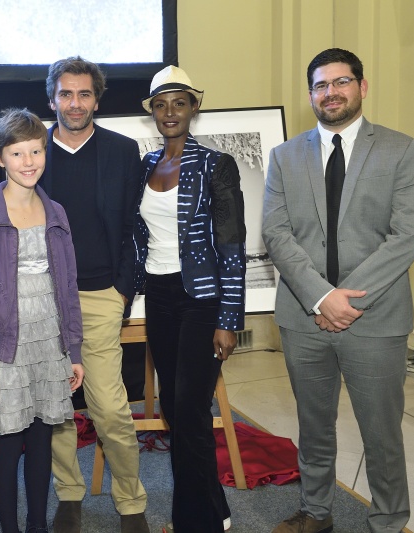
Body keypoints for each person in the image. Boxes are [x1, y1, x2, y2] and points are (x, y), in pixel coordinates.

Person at [262, 48, 414, 533]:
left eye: (341, 82)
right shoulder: (284, 156)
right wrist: (320, 297)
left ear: (362, 86)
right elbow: (276, 233)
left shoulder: (401, 149)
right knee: (313, 427)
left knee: (381, 435)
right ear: (310, 94)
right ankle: (316, 512)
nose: (330, 93)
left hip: (376, 319)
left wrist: (344, 299)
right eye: (320, 85)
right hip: (303, 317)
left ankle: (388, 522)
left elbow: (407, 236)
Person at [0, 107, 84, 533]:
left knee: (43, 439)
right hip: (3, 347)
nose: (28, 162)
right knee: (8, 444)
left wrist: (74, 350)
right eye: (17, 153)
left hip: (49, 341)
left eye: (36, 151)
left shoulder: (56, 213)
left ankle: (37, 526)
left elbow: (68, 286)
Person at [133, 65, 246, 533]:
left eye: (179, 103)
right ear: (153, 113)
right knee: (176, 409)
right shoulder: (145, 165)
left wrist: (229, 320)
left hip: (202, 298)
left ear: (194, 108)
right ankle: (215, 509)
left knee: (191, 408)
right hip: (159, 295)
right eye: (161, 105)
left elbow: (232, 245)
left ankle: (193, 522)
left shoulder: (215, 164)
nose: (169, 112)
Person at [39, 56, 149, 533]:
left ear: (97, 101)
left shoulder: (122, 151)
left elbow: (134, 224)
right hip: (44, 296)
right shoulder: (32, 149)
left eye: (84, 94)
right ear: (52, 99)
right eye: (66, 93)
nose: (75, 103)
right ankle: (69, 493)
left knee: (109, 407)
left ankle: (132, 501)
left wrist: (124, 289)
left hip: (103, 292)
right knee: (56, 406)